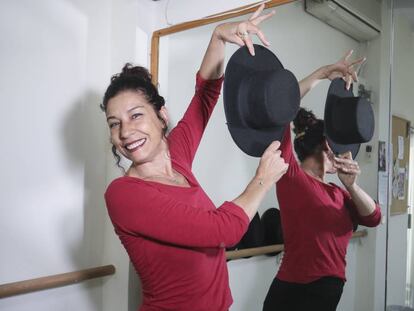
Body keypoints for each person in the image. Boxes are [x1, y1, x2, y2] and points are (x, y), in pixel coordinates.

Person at [101, 5, 288, 311]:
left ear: (161, 116)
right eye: (114, 123)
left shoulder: (177, 158)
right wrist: (263, 179)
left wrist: (218, 36)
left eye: (136, 115)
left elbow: (205, 97)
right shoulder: (124, 194)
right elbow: (223, 232)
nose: (125, 131)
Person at [263, 51, 382, 311]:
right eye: (337, 146)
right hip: (293, 293)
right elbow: (283, 110)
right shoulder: (292, 177)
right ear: (327, 146)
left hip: (326, 293)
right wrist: (320, 73)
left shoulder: (338, 192)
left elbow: (374, 218)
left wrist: (351, 184)